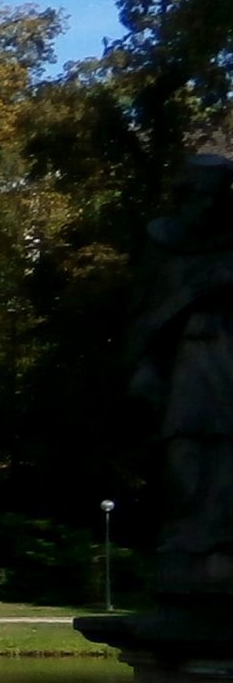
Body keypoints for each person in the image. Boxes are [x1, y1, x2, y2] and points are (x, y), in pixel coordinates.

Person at [131, 154, 233, 596]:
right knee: (183, 448)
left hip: (228, 359)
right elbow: (144, 314)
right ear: (183, 197)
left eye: (214, 198)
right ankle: (186, 538)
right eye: (198, 197)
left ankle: (220, 541)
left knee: (226, 451)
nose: (206, 207)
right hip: (186, 364)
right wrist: (144, 365)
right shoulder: (162, 244)